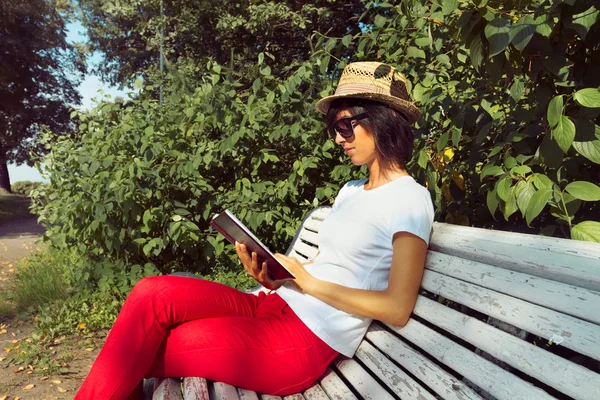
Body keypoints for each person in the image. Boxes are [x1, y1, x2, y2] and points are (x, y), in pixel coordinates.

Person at [75, 61, 434, 399]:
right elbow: (334, 264)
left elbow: (397, 307)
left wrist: (307, 283)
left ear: (383, 120)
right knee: (153, 292)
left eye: (345, 126)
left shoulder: (409, 200)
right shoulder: (351, 191)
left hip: (301, 342)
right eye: (334, 129)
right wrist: (279, 275)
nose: (338, 139)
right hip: (273, 304)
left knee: (143, 348)